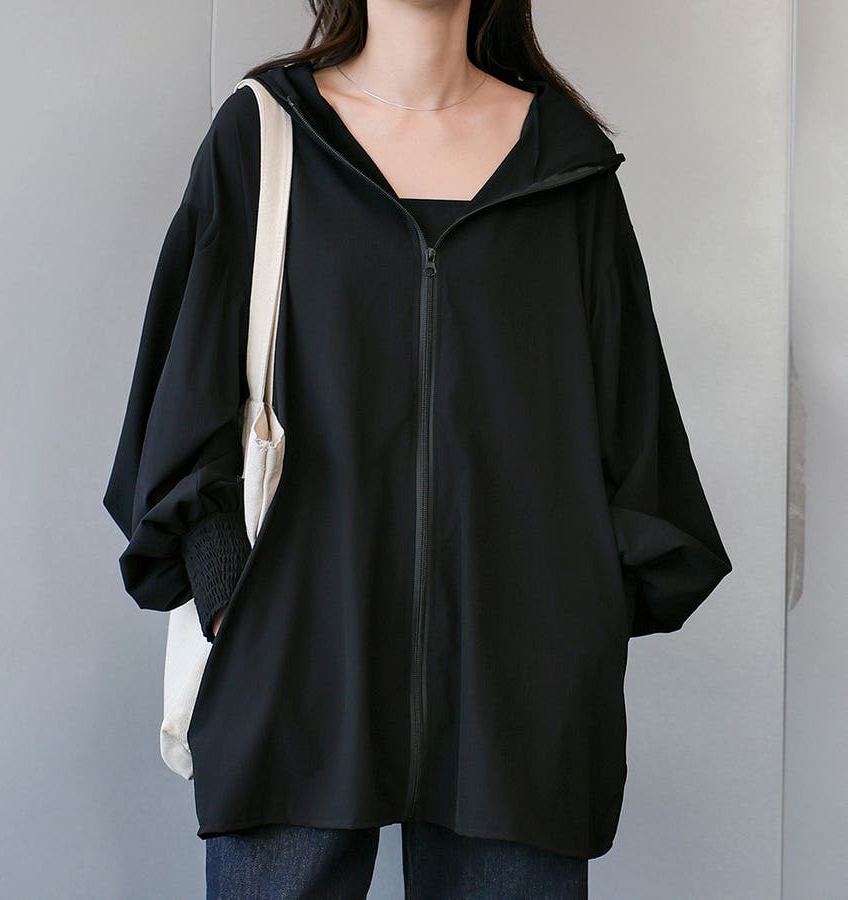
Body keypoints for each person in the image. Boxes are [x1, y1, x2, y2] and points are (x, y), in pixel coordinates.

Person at [103, 1, 733, 896]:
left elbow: (635, 443)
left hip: (514, 697)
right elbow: (178, 405)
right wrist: (234, 600)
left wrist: (565, 631)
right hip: (293, 666)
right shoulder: (266, 136)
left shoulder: (565, 163)